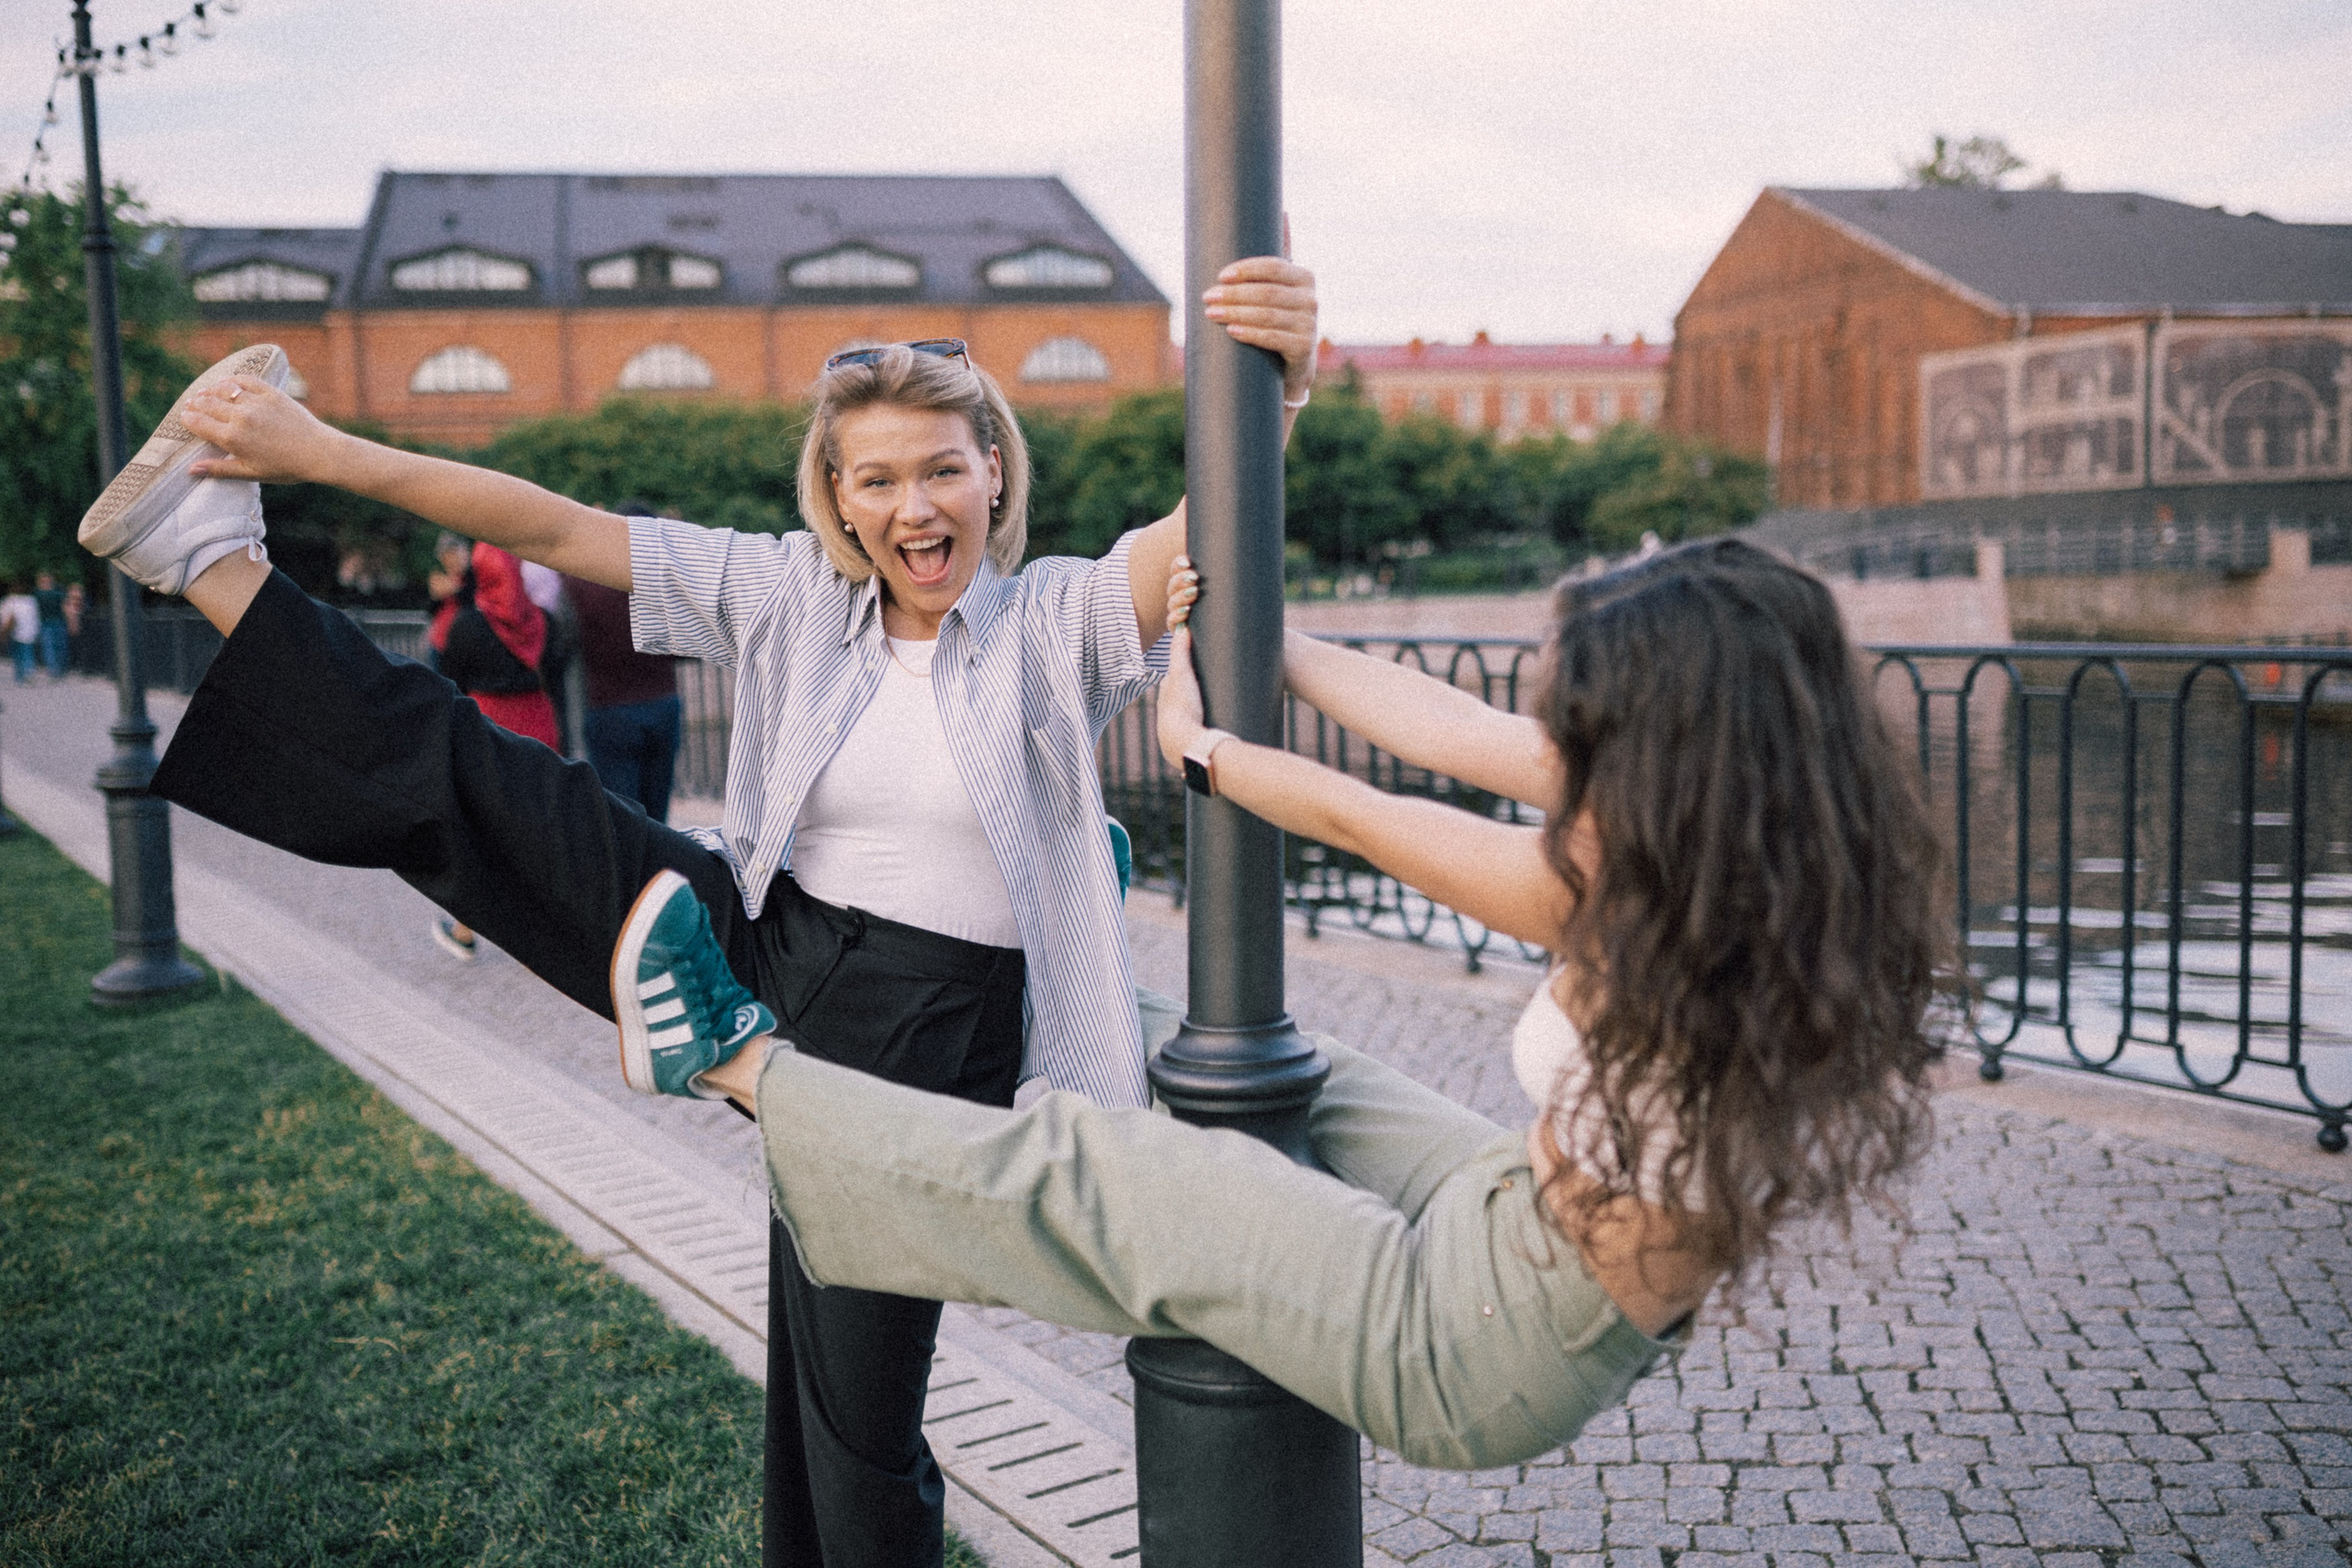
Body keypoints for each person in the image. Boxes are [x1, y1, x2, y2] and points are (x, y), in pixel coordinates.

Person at [78, 255, 1315, 1568]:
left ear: (994, 470)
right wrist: (324, 452)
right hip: (759, 937)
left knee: (854, 1398)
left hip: (925, 1031)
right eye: (876, 477)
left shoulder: (1053, 618)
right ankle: (212, 557)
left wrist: (1279, 388)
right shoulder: (795, 595)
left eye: (943, 468)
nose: (913, 505)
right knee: (492, 784)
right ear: (836, 494)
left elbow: (1213, 516)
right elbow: (553, 526)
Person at [635, 537, 1951, 1471]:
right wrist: (1278, 644)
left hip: (1479, 1340)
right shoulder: (1762, 835)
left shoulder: (1649, 890)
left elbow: (1375, 815)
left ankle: (735, 1057)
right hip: (1523, 1219)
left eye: (1596, 722)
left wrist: (1206, 747)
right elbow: (1445, 728)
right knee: (1249, 1053)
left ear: (1676, 737)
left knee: (1112, 1170)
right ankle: (1050, 945)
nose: (1571, 741)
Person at [424, 532, 561, 961]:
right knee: (537, 829)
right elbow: (557, 670)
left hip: (488, 725)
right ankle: (548, 930)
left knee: (480, 830)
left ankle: (467, 928)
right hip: (538, 723)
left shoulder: (467, 624)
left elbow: (451, 680)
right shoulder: (541, 622)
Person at [561, 505, 684, 821]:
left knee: (622, 818)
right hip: (661, 702)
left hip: (609, 707)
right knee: (658, 815)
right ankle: (660, 869)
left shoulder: (582, 583)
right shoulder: (663, 583)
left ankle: (631, 872)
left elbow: (564, 638)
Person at [32, 571, 70, 679]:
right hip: (49, 622)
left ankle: (56, 669)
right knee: (53, 647)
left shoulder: (39, 593)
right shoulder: (56, 592)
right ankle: (56, 669)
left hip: (55, 621)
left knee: (55, 647)